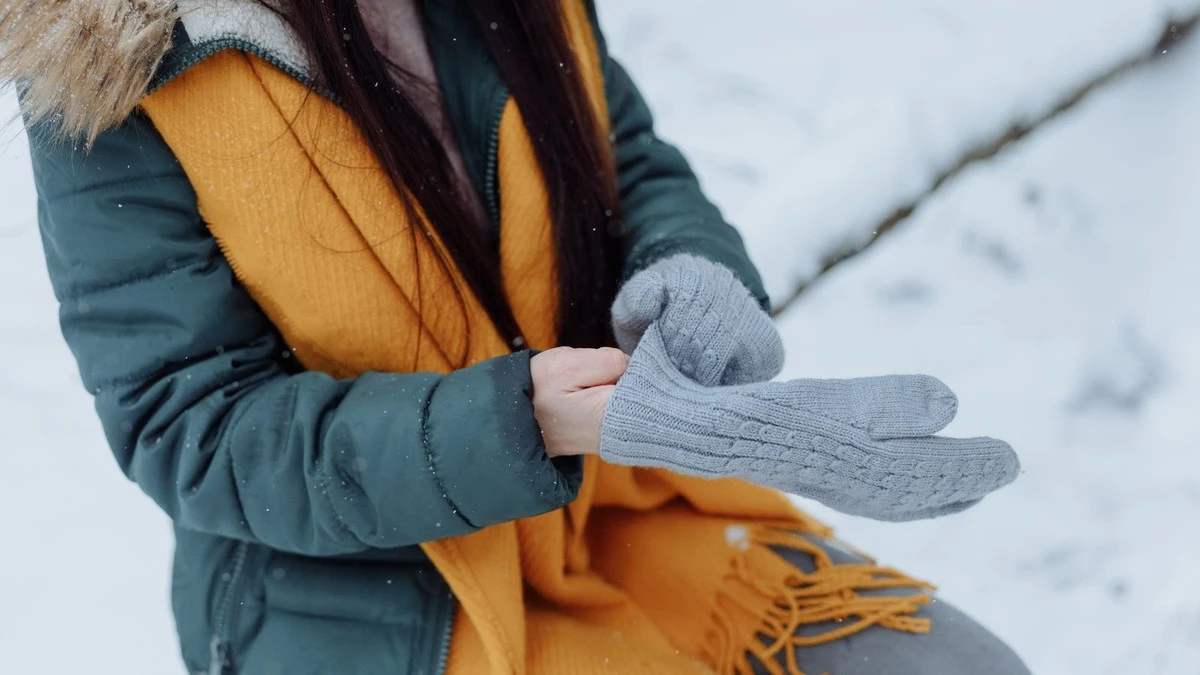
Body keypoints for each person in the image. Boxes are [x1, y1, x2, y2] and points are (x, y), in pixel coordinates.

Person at [2, 1, 1031, 673]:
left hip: (627, 500)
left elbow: (623, 147)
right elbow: (196, 427)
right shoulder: (112, 68)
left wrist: (687, 273)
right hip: (369, 610)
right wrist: (519, 421)